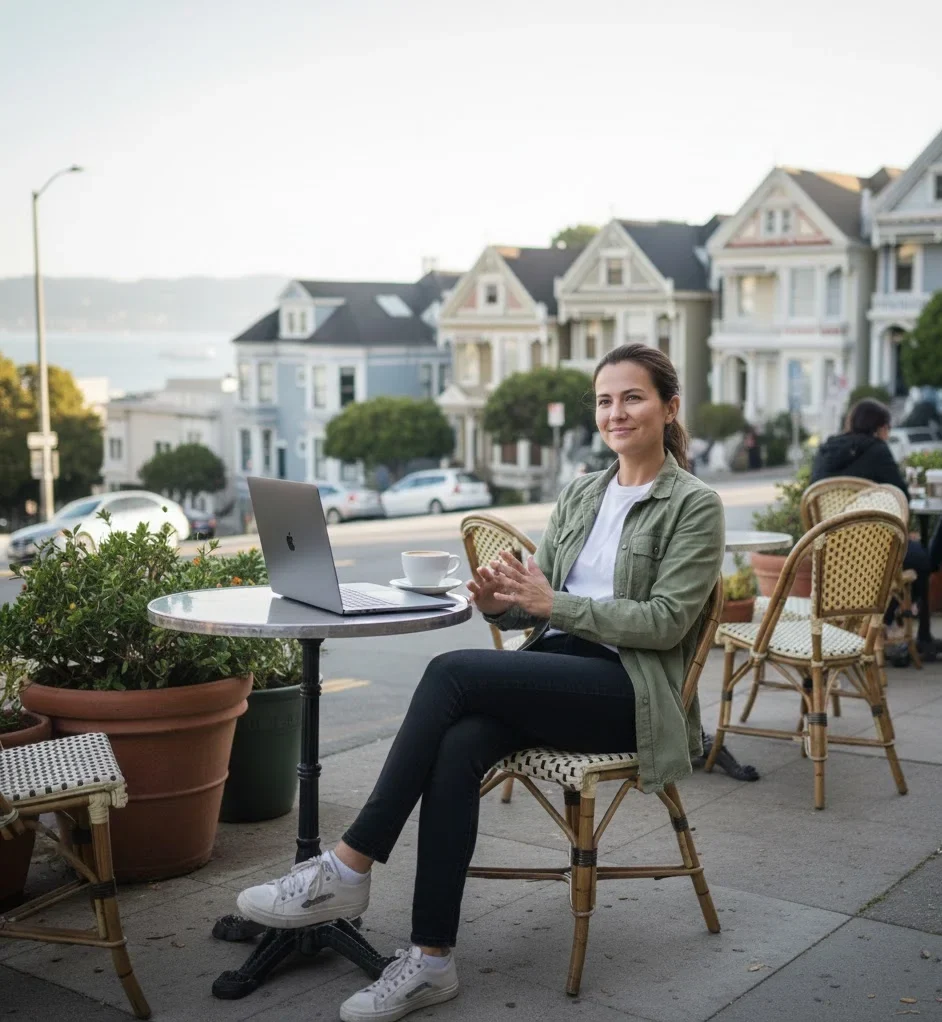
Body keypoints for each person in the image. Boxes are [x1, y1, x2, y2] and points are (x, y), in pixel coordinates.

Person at [236, 344, 725, 1022]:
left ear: (669, 408)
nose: (616, 412)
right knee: (460, 742)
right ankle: (430, 961)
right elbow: (538, 599)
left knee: (451, 671)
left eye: (633, 397)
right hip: (562, 668)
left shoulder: (695, 505)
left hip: (631, 692)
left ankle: (348, 865)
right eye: (605, 400)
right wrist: (504, 602)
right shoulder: (585, 491)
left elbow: (669, 622)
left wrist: (555, 606)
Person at [811, 397, 942, 664]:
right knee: (923, 560)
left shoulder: (825, 451)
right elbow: (900, 498)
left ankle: (870, 626)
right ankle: (888, 622)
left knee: (911, 553)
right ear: (881, 428)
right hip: (873, 551)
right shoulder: (878, 450)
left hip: (829, 552)